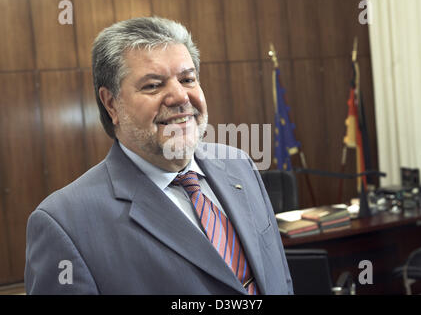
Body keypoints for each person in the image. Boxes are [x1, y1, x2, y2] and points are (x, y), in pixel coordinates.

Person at [25, 17, 293, 295]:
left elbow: (280, 279)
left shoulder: (240, 165)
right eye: (153, 85)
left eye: (188, 79)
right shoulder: (64, 223)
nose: (180, 97)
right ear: (111, 104)